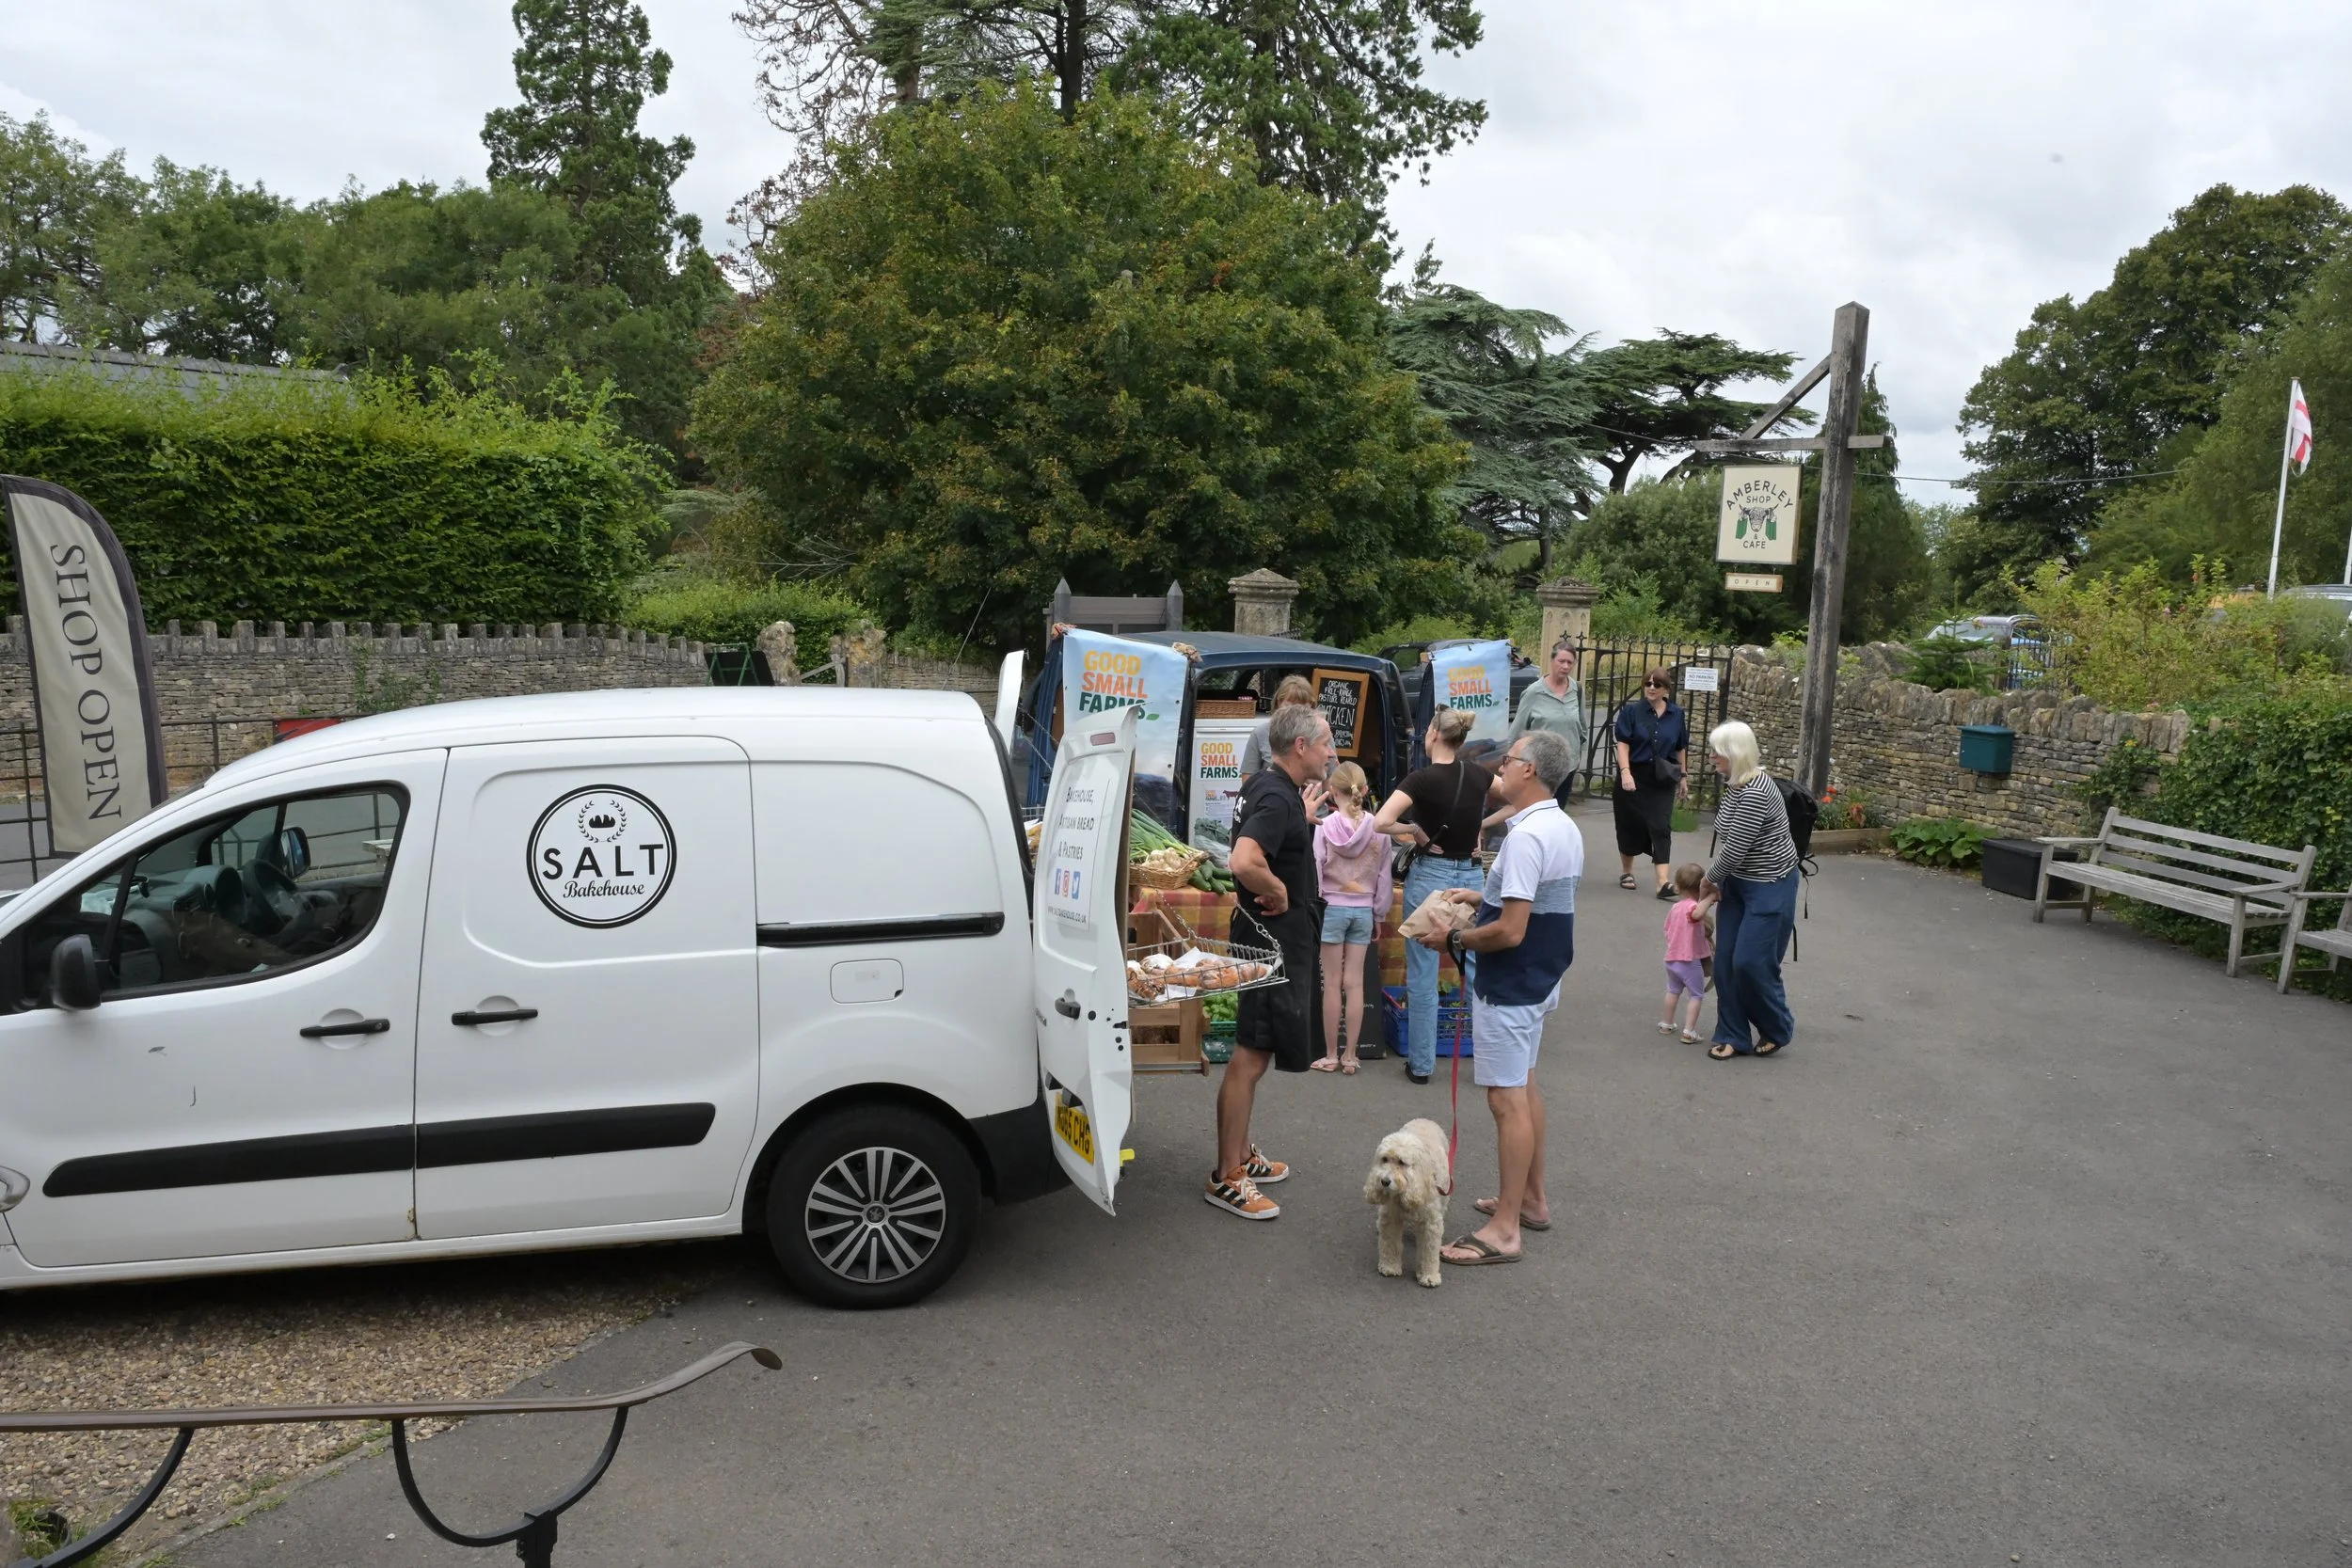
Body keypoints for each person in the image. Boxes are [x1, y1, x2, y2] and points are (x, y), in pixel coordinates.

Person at [1414, 728, 1583, 1267]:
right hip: (1541, 975)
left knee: (1505, 1100)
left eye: (1508, 761)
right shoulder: (1560, 825)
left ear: (1530, 769)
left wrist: (1453, 938)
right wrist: (1480, 894)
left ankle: (1506, 1228)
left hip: (1512, 980)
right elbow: (1533, 903)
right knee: (1524, 1086)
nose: (1499, 769)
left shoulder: (1526, 836)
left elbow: (1510, 930)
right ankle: (1530, 1200)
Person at [1211, 704, 1334, 1219]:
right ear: (1300, 746)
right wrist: (1280, 889)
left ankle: (1240, 1154)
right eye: (1326, 742)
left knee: (1254, 1054)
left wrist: (1298, 822)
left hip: (1269, 937)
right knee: (1250, 1055)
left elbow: (1266, 834)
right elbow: (1242, 859)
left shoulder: (1268, 787)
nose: (1333, 751)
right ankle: (1226, 1176)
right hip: (1270, 939)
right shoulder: (1277, 796)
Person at [1372, 708, 1494, 1085]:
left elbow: (1380, 822)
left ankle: (1422, 1065)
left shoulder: (1420, 779)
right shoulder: (1478, 774)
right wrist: (1480, 826)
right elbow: (1519, 800)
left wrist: (1415, 829)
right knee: (1475, 964)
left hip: (1431, 876)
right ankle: (1489, 1058)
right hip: (1471, 876)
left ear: (1434, 734)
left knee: (1423, 971)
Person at [1692, 721, 1800, 1061]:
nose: (1711, 757)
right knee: (1725, 963)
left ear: (1734, 754)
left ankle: (1777, 1027)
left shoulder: (1755, 791)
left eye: (1717, 752)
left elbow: (1735, 847)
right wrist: (1720, 881)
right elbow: (1729, 843)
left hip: (1770, 885)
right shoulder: (1736, 785)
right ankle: (1733, 1034)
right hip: (1738, 883)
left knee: (1752, 963)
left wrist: (1708, 881)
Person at [1311, 761, 1390, 1074]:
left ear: (1332, 792)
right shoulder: (1379, 828)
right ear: (1365, 791)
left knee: (1331, 984)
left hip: (1331, 908)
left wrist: (1316, 904)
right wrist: (1379, 913)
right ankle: (1351, 1056)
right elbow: (1384, 875)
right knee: (1354, 985)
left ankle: (1331, 1054)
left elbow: (1316, 867)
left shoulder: (1323, 826)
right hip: (1363, 911)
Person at [1612, 668, 1691, 899]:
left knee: (1661, 827)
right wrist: (1625, 773)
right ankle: (1627, 872)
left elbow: (1680, 747)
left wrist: (1683, 777)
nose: (1651, 688)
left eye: (1657, 684)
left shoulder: (1676, 714)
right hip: (1634, 775)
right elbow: (1623, 744)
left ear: (1666, 689)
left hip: (1662, 778)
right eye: (1648, 684)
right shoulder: (1631, 712)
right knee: (1630, 825)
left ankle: (1662, 883)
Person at [1506, 640, 1592, 807]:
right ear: (1552, 661)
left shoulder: (1577, 690)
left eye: (1570, 662)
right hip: (1540, 769)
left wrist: (1578, 753)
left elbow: (1581, 725)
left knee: (1558, 812)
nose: (1565, 666)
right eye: (1561, 661)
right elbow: (1517, 731)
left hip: (1568, 767)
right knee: (1537, 812)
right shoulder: (1534, 692)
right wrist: (1509, 762)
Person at [1658, 863, 1713, 1044]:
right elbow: (1696, 914)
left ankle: (1667, 1023)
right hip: (1689, 961)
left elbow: (1666, 929)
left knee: (1673, 990)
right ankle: (1689, 1031)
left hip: (1671, 958)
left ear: (1678, 886)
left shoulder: (1675, 908)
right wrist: (1711, 897)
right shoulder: (1692, 907)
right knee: (1696, 995)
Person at [1239, 674, 1320, 778]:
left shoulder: (1321, 734)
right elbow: (1248, 782)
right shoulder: (1260, 733)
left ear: (1311, 706)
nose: (1295, 711)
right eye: (1290, 705)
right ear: (1279, 702)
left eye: (1301, 706)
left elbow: (1331, 783)